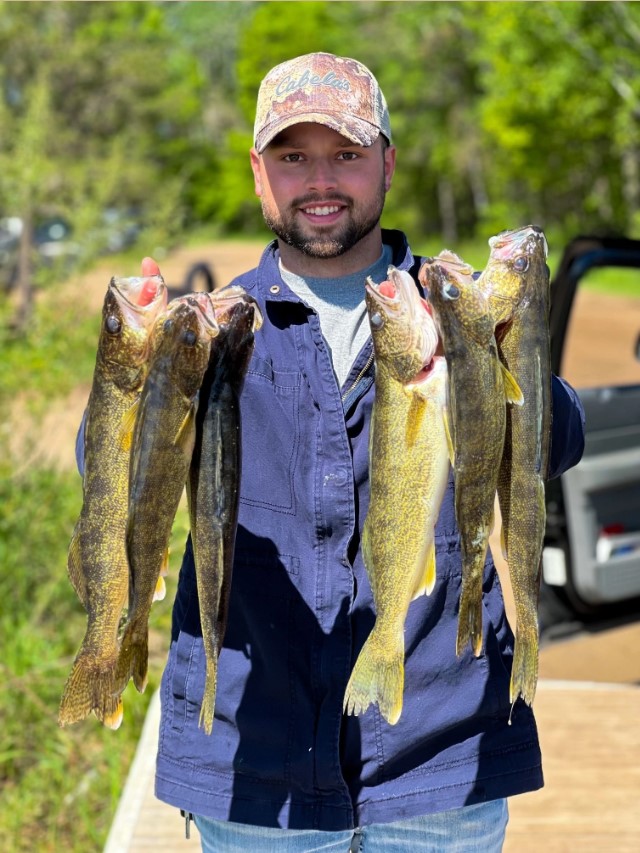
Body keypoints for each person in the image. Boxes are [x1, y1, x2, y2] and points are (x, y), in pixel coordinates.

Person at [145, 53, 585, 851]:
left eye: (346, 154)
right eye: (293, 157)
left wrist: (499, 338)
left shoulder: (454, 305)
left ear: (387, 159)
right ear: (258, 173)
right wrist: (146, 367)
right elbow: (109, 474)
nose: (320, 180)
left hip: (443, 765)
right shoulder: (212, 329)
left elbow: (556, 445)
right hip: (257, 783)